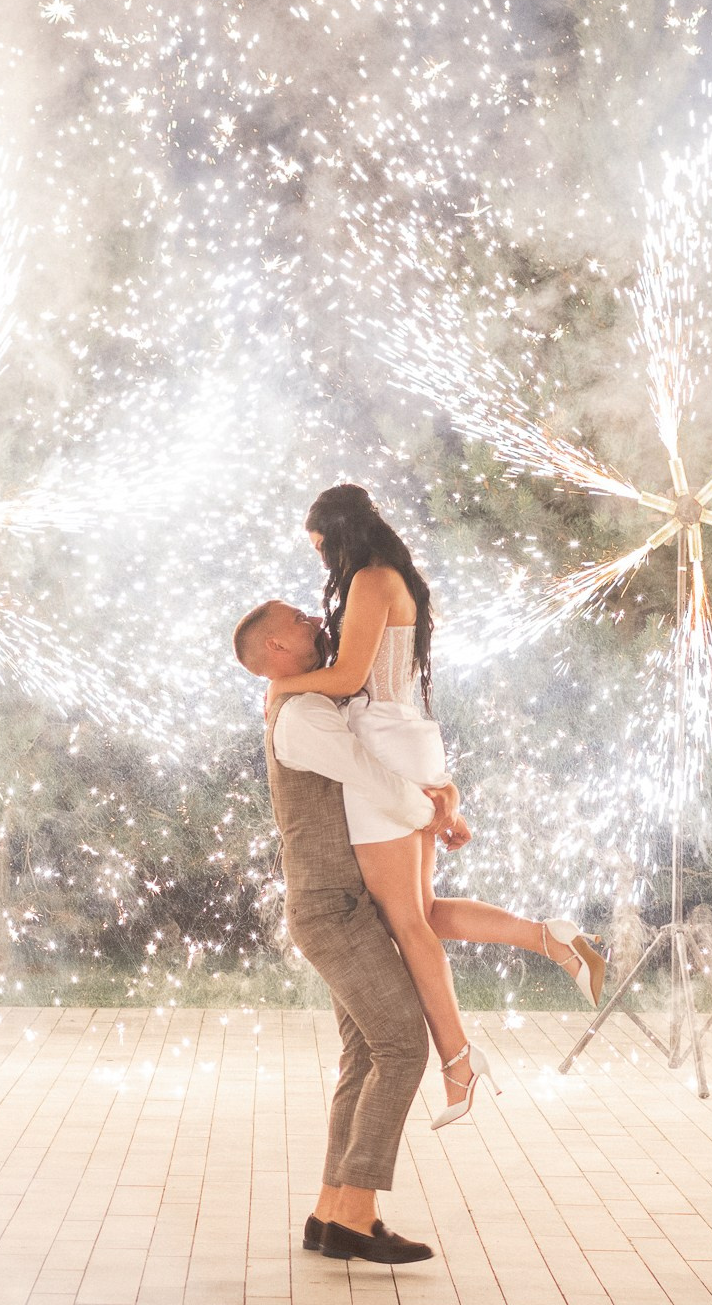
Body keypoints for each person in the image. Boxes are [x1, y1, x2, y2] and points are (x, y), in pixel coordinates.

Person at [256, 483, 608, 1128]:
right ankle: (551, 939)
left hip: (384, 745)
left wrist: (281, 686)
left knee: (406, 925)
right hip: (405, 738)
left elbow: (347, 680)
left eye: (322, 548)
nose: (322, 565)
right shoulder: (394, 578)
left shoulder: (371, 580)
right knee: (416, 914)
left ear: (342, 535)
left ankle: (460, 1070)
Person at [232, 599, 449, 1264]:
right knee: (404, 1046)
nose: (315, 619)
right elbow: (369, 774)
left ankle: (331, 1213)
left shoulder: (306, 701)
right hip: (332, 911)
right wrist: (430, 815)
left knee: (364, 1053)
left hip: (343, 905)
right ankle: (358, 1209)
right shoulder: (299, 717)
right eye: (298, 619)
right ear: (275, 648)